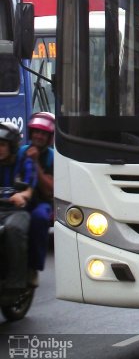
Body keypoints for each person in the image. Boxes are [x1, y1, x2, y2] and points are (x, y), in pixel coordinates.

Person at [0, 122, 36, 299]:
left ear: (12, 146)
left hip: (17, 211)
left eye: (2, 145)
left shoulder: (24, 159)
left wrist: (23, 196)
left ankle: (15, 284)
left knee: (13, 229)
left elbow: (29, 186)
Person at [20, 112, 55, 287]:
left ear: (49, 138)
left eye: (43, 134)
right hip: (17, 201)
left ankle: (33, 268)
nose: (38, 136)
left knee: (39, 219)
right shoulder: (20, 152)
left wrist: (35, 164)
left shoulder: (52, 157)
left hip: (41, 203)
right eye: (36, 132)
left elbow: (49, 189)